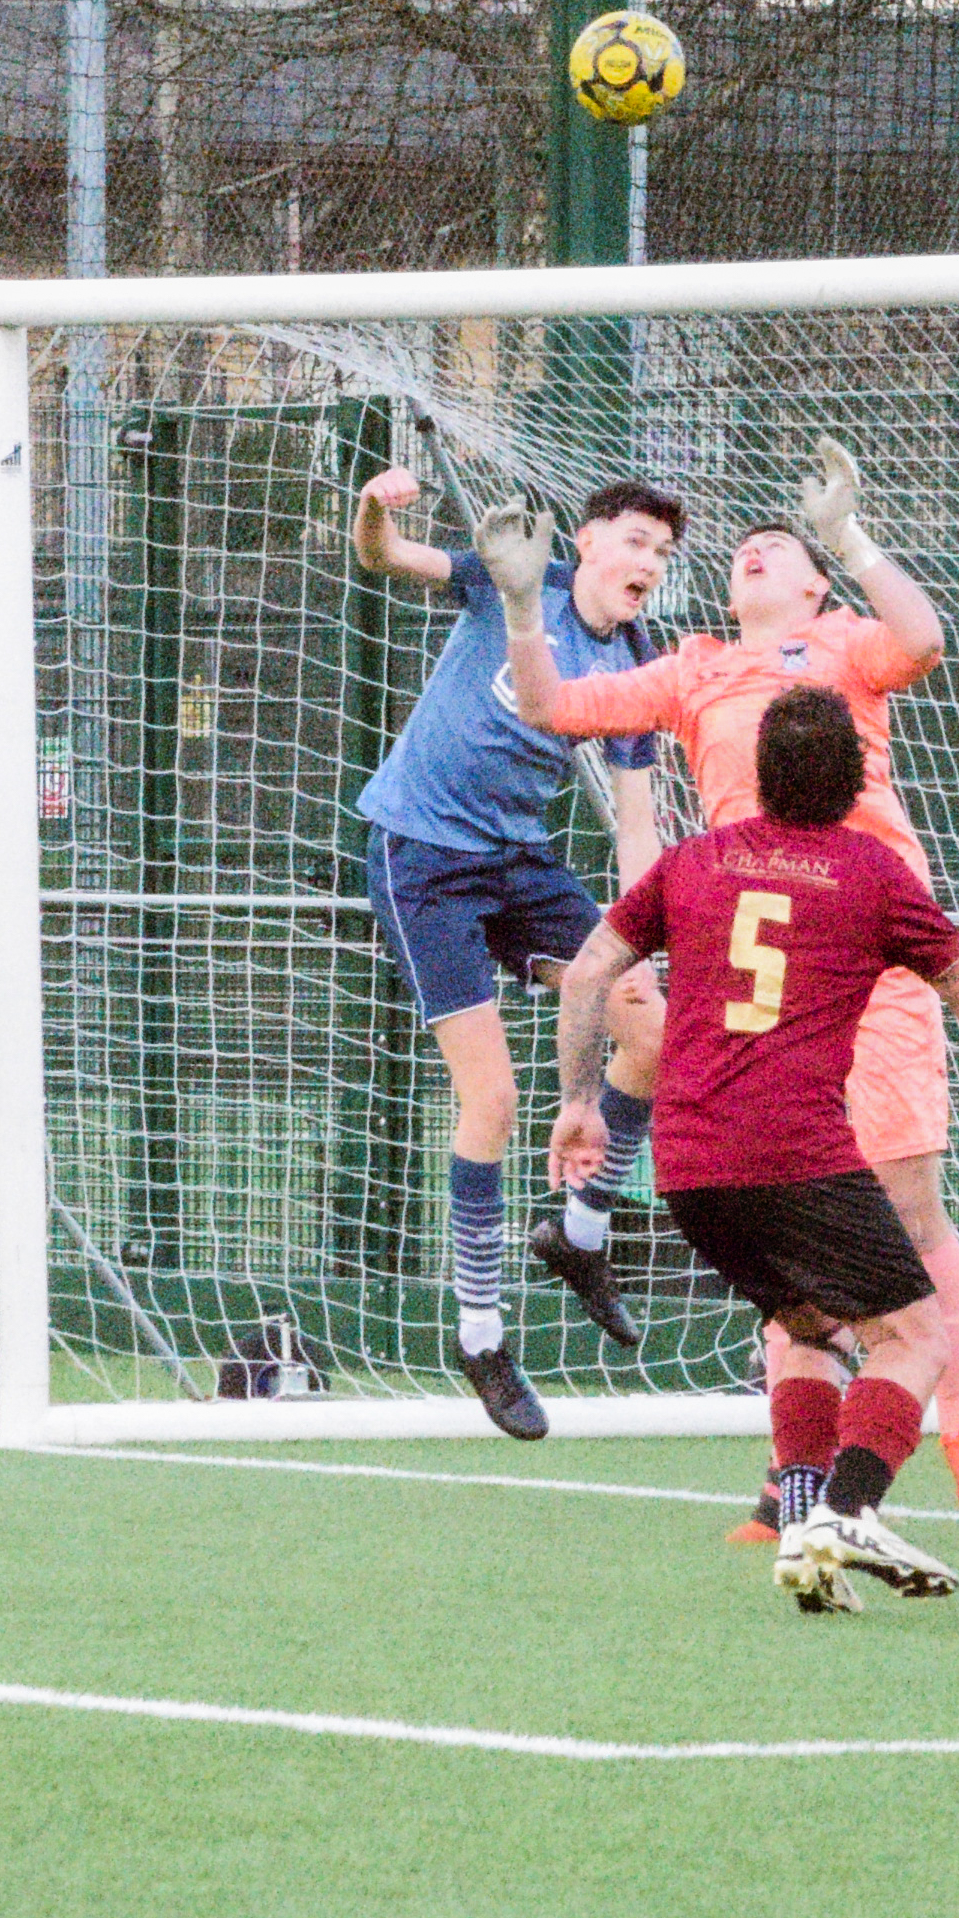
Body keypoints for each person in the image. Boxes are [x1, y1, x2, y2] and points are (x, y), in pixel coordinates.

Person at [505, 436, 959, 1520]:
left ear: (815, 586)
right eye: (745, 545)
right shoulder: (691, 668)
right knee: (780, 1216)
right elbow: (553, 707)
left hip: (868, 951)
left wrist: (845, 531)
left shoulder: (844, 644)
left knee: (905, 1200)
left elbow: (923, 637)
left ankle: (957, 1419)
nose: (754, 552)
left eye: (779, 547)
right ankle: (793, 1481)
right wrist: (516, 602)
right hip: (752, 969)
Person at [543, 683, 959, 1610]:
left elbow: (592, 968)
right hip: (796, 1151)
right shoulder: (874, 873)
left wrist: (578, 1100)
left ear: (759, 776)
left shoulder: (693, 860)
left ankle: (801, 1524)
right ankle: (848, 1507)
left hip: (688, 1164)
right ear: (856, 779)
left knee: (805, 1324)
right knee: (916, 1335)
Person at [352, 464, 675, 1439]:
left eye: (662, 554)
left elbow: (633, 816)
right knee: (489, 1099)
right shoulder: (504, 584)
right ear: (585, 542)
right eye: (633, 543)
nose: (648, 565)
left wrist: (641, 935)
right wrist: (374, 507)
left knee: (649, 1026)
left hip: (519, 861)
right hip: (422, 861)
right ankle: (481, 1335)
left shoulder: (633, 657)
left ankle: (579, 1233)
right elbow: (381, 555)